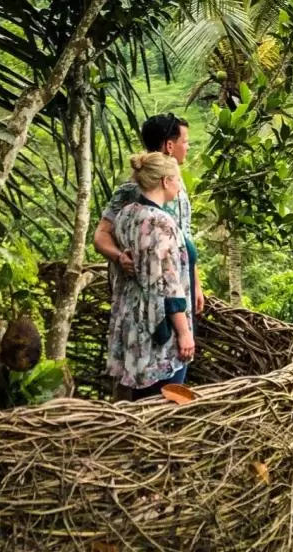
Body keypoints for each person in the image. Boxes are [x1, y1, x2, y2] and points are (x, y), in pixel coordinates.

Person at [94, 112, 204, 317]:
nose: (188, 147)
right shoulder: (131, 190)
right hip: (144, 296)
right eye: (185, 141)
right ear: (170, 146)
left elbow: (184, 238)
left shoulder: (178, 188)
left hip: (179, 288)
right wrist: (119, 257)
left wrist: (195, 283)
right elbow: (101, 235)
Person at [105, 152, 195, 400]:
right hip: (156, 324)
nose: (179, 186)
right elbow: (167, 283)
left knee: (135, 395)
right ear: (165, 181)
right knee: (164, 399)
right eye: (176, 179)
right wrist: (184, 331)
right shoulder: (161, 222)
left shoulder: (125, 215)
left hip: (129, 316)